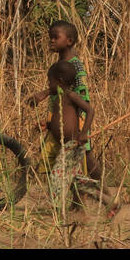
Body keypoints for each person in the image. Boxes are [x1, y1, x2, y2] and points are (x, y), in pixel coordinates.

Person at [27, 20, 96, 177]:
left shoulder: (75, 65)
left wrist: (82, 127)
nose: (51, 40)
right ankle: (99, 194)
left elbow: (81, 95)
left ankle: (104, 193)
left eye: (55, 37)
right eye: (50, 37)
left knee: (85, 159)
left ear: (69, 41)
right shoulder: (61, 63)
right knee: (79, 162)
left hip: (76, 123)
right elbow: (60, 92)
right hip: (62, 124)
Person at [40, 60, 96, 210]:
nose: (49, 86)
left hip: (72, 144)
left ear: (60, 82)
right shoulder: (58, 98)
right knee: (77, 181)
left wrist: (84, 133)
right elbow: (62, 121)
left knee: (57, 177)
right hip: (64, 145)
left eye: (50, 82)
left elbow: (90, 111)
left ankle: (56, 209)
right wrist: (48, 126)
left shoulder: (71, 96)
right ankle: (107, 202)